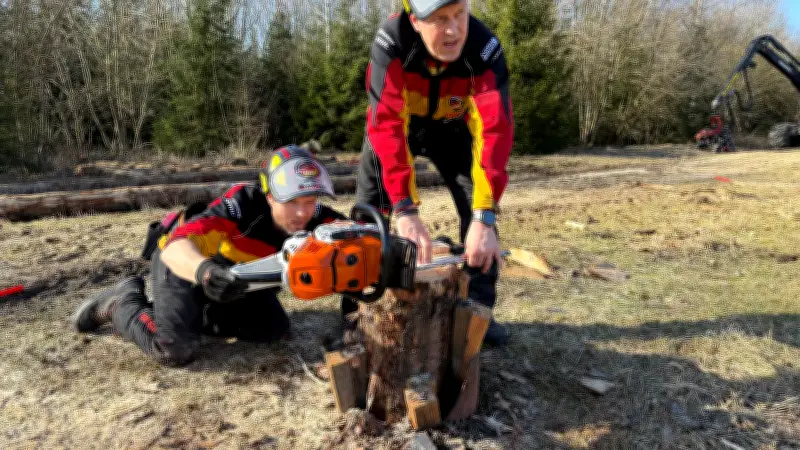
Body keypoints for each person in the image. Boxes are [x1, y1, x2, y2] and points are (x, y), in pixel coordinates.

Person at [72, 145, 347, 366]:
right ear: (270, 196)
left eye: (310, 201)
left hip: (233, 279)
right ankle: (123, 302)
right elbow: (177, 246)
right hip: (183, 263)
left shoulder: (320, 221)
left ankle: (183, 312)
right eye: (292, 202)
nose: (302, 213)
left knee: (271, 330)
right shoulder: (240, 208)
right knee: (175, 350)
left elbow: (358, 238)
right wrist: (204, 271)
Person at [353, 0, 514, 345]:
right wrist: (405, 210)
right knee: (370, 211)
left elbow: (495, 131)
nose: (454, 30)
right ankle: (355, 312)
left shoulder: (485, 49)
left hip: (454, 130)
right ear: (415, 20)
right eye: (440, 19)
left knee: (478, 211)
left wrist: (484, 218)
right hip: (399, 127)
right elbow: (387, 123)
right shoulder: (392, 41)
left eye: (460, 14)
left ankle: (477, 312)